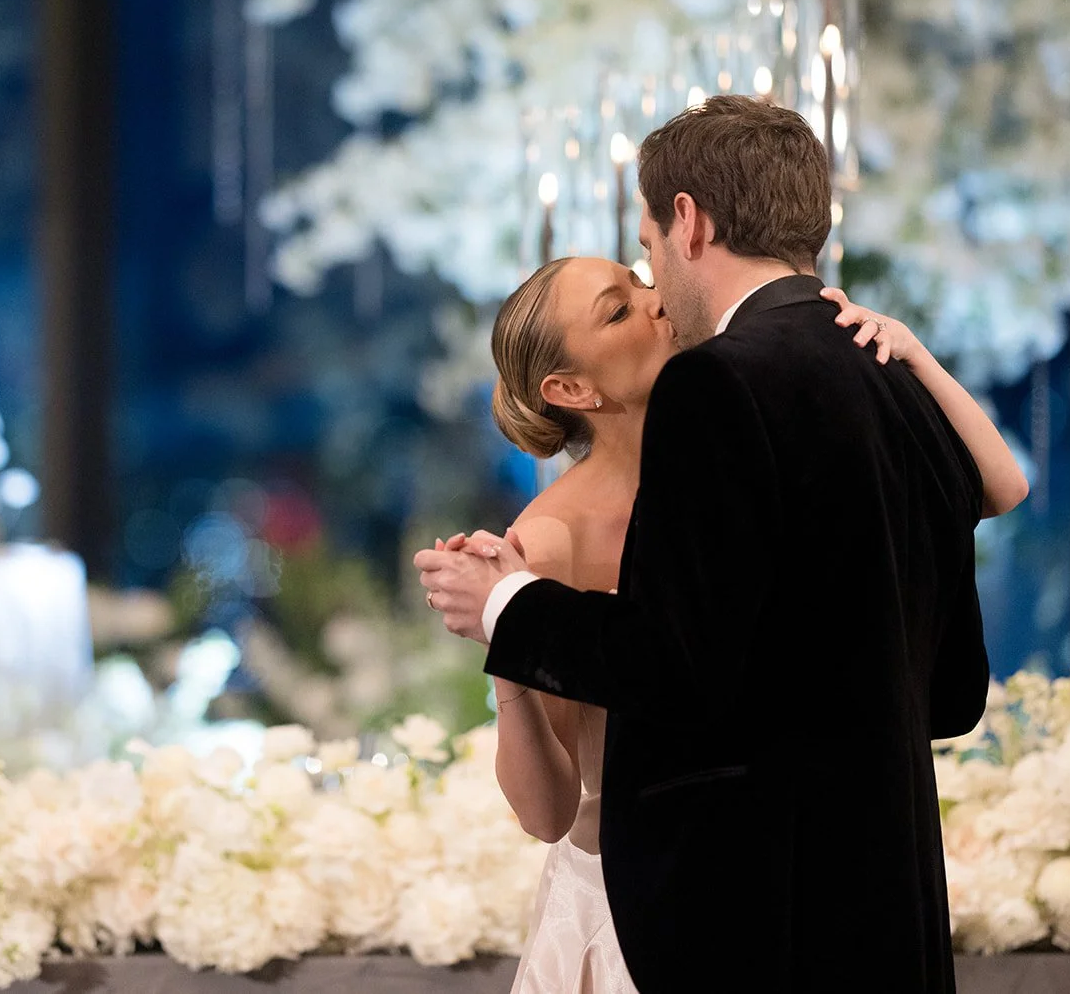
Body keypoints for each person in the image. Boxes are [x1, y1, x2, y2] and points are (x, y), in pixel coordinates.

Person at [415, 95, 1009, 992]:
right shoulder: (860, 354)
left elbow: (678, 663)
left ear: (687, 220)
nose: (654, 292)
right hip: (854, 894)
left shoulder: (723, 385)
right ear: (567, 385)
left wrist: (505, 608)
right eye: (620, 304)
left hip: (748, 913)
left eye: (646, 252)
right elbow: (946, 669)